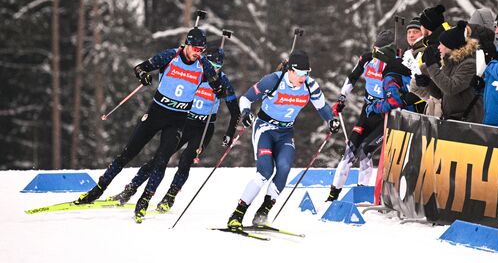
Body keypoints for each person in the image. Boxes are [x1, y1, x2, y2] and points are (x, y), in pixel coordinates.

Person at [74, 28, 227, 210]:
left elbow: (217, 84)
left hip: (177, 120)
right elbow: (140, 67)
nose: (197, 53)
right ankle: (97, 190)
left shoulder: (204, 65)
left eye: (201, 50)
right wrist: (143, 75)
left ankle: (144, 200)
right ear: (187, 44)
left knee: (161, 161)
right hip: (156, 114)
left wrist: (219, 90)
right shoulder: (170, 56)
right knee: (128, 153)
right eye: (195, 48)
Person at [106, 48, 240, 215]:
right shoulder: (196, 71)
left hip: (203, 128)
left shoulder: (221, 81)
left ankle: (170, 196)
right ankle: (131, 189)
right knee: (159, 159)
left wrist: (229, 133)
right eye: (211, 65)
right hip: (184, 121)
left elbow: (235, 111)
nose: (214, 70)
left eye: (218, 66)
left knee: (186, 160)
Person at [226, 50, 340, 230]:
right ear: (291, 71)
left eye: (307, 73)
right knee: (265, 171)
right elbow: (246, 98)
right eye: (301, 73)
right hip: (265, 128)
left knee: (285, 167)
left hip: (285, 131)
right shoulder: (273, 80)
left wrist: (331, 119)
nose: (304, 77)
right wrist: (246, 113)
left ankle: (263, 212)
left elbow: (322, 107)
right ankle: (237, 213)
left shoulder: (310, 86)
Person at [327, 43, 414, 201]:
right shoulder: (368, 59)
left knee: (365, 150)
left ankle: (363, 195)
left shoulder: (397, 65)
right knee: (349, 151)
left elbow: (409, 89)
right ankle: (333, 195)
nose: (375, 57)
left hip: (385, 115)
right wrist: (342, 98)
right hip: (368, 112)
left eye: (378, 51)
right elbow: (352, 77)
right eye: (374, 49)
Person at [411, 21, 483, 122]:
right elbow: (441, 94)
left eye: (441, 44)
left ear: (451, 45)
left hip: (468, 121)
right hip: (452, 119)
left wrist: (432, 66)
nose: (439, 47)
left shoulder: (469, 64)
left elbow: (451, 88)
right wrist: (427, 84)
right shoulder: (449, 62)